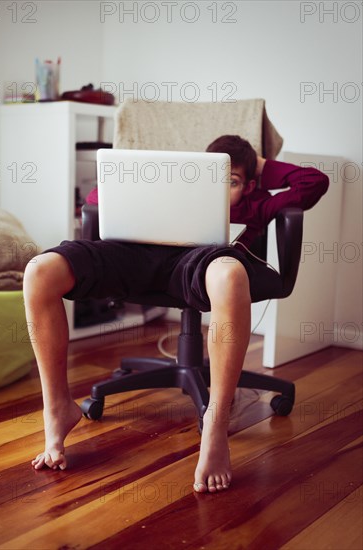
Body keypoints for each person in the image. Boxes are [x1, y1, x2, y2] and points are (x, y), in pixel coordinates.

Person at [23, 135, 329, 493]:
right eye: (214, 178)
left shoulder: (254, 204)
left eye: (230, 182)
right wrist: (150, 184)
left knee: (230, 276)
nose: (220, 188)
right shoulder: (175, 193)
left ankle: (215, 424)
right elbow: (97, 198)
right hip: (136, 254)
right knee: (39, 271)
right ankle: (57, 406)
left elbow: (314, 183)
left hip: (206, 260)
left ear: (248, 186)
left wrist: (259, 165)